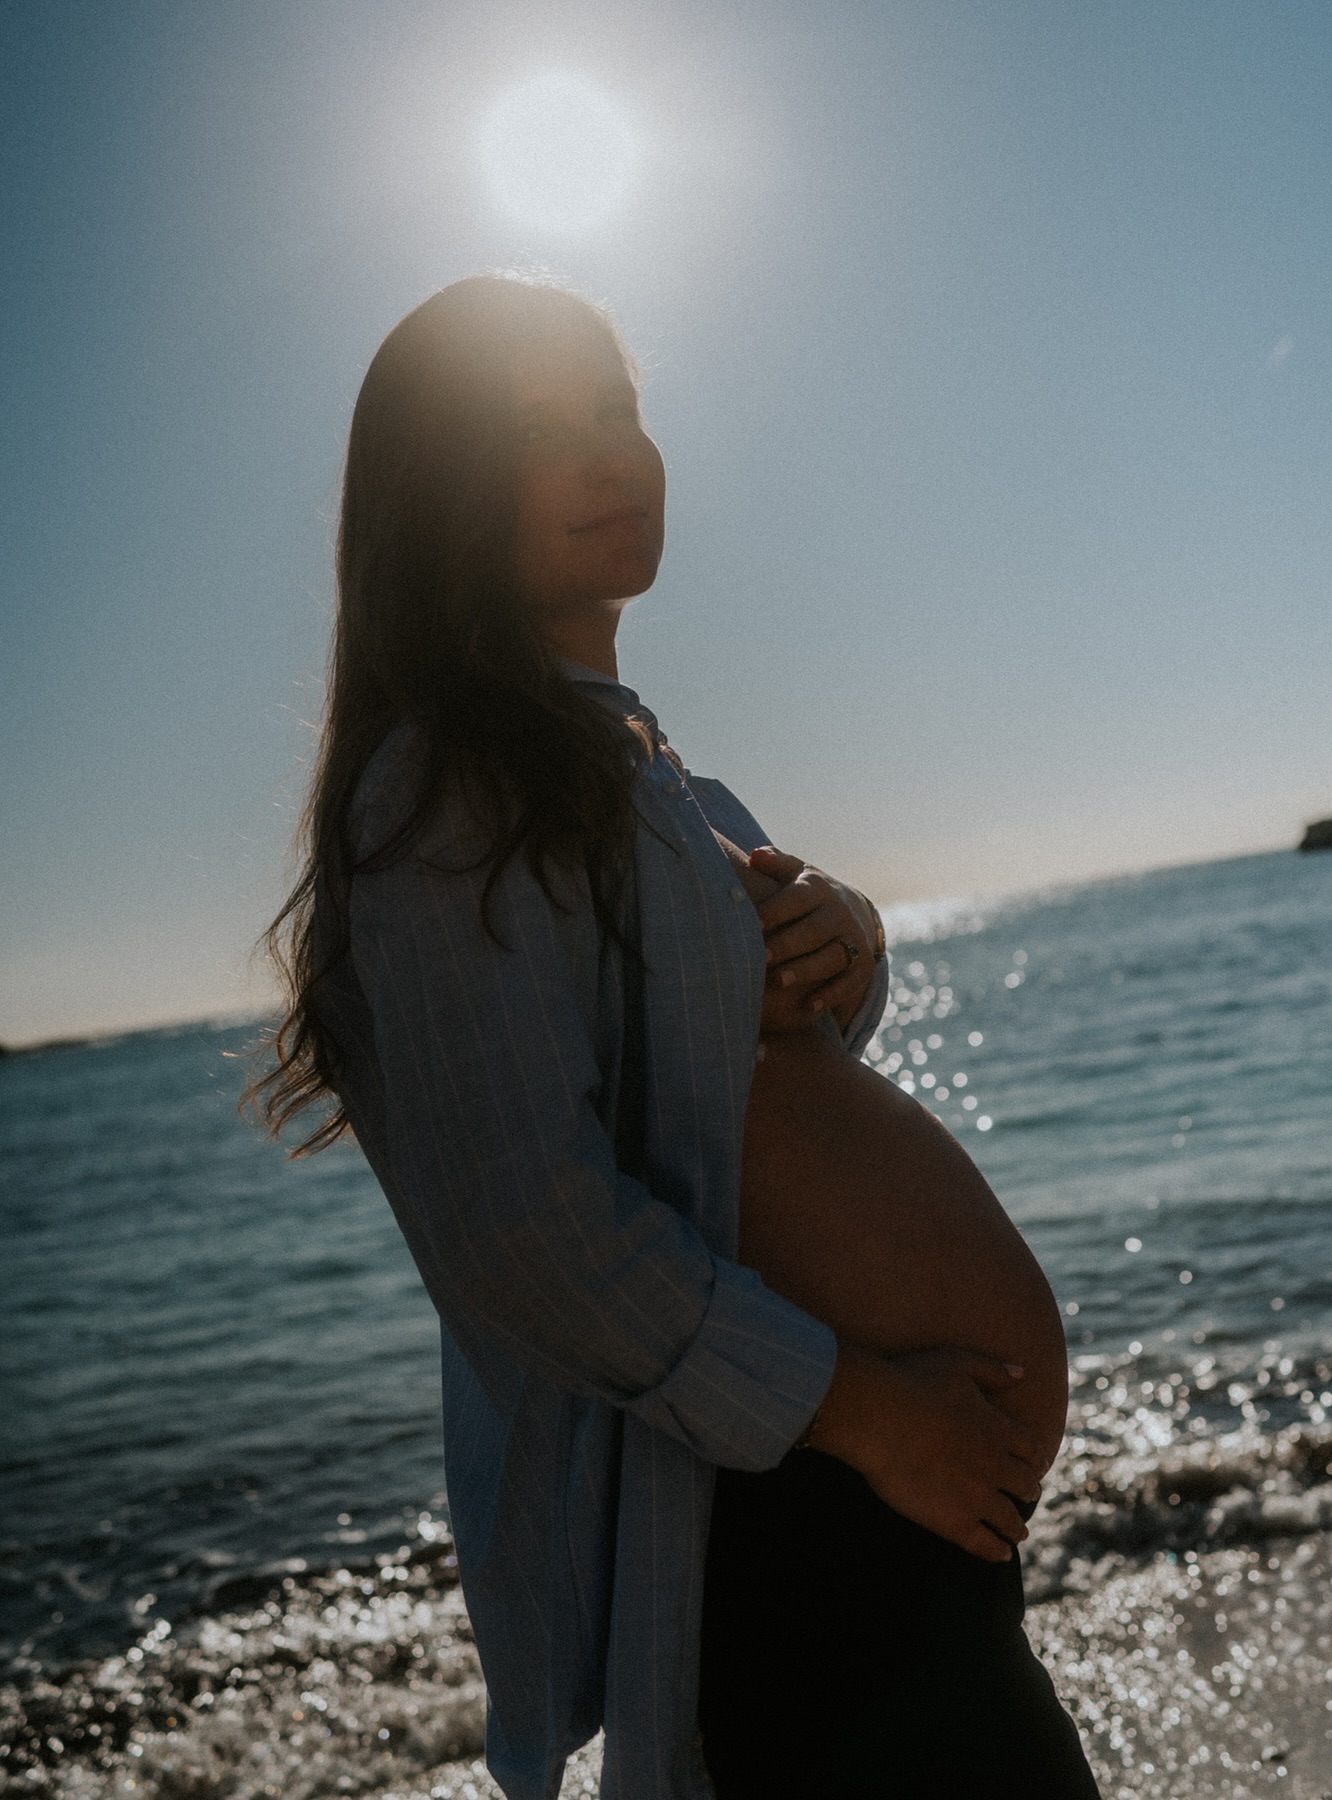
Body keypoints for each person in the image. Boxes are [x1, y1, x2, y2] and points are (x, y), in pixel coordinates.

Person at [251, 274, 1098, 1799]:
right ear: (439, 493)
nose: (605, 454)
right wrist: (868, 1413)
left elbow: (752, 1060)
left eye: (617, 409)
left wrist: (850, 934)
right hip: (794, 1506)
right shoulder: (446, 790)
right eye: (536, 431)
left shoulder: (632, 761)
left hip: (873, 1497)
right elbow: (528, 1227)